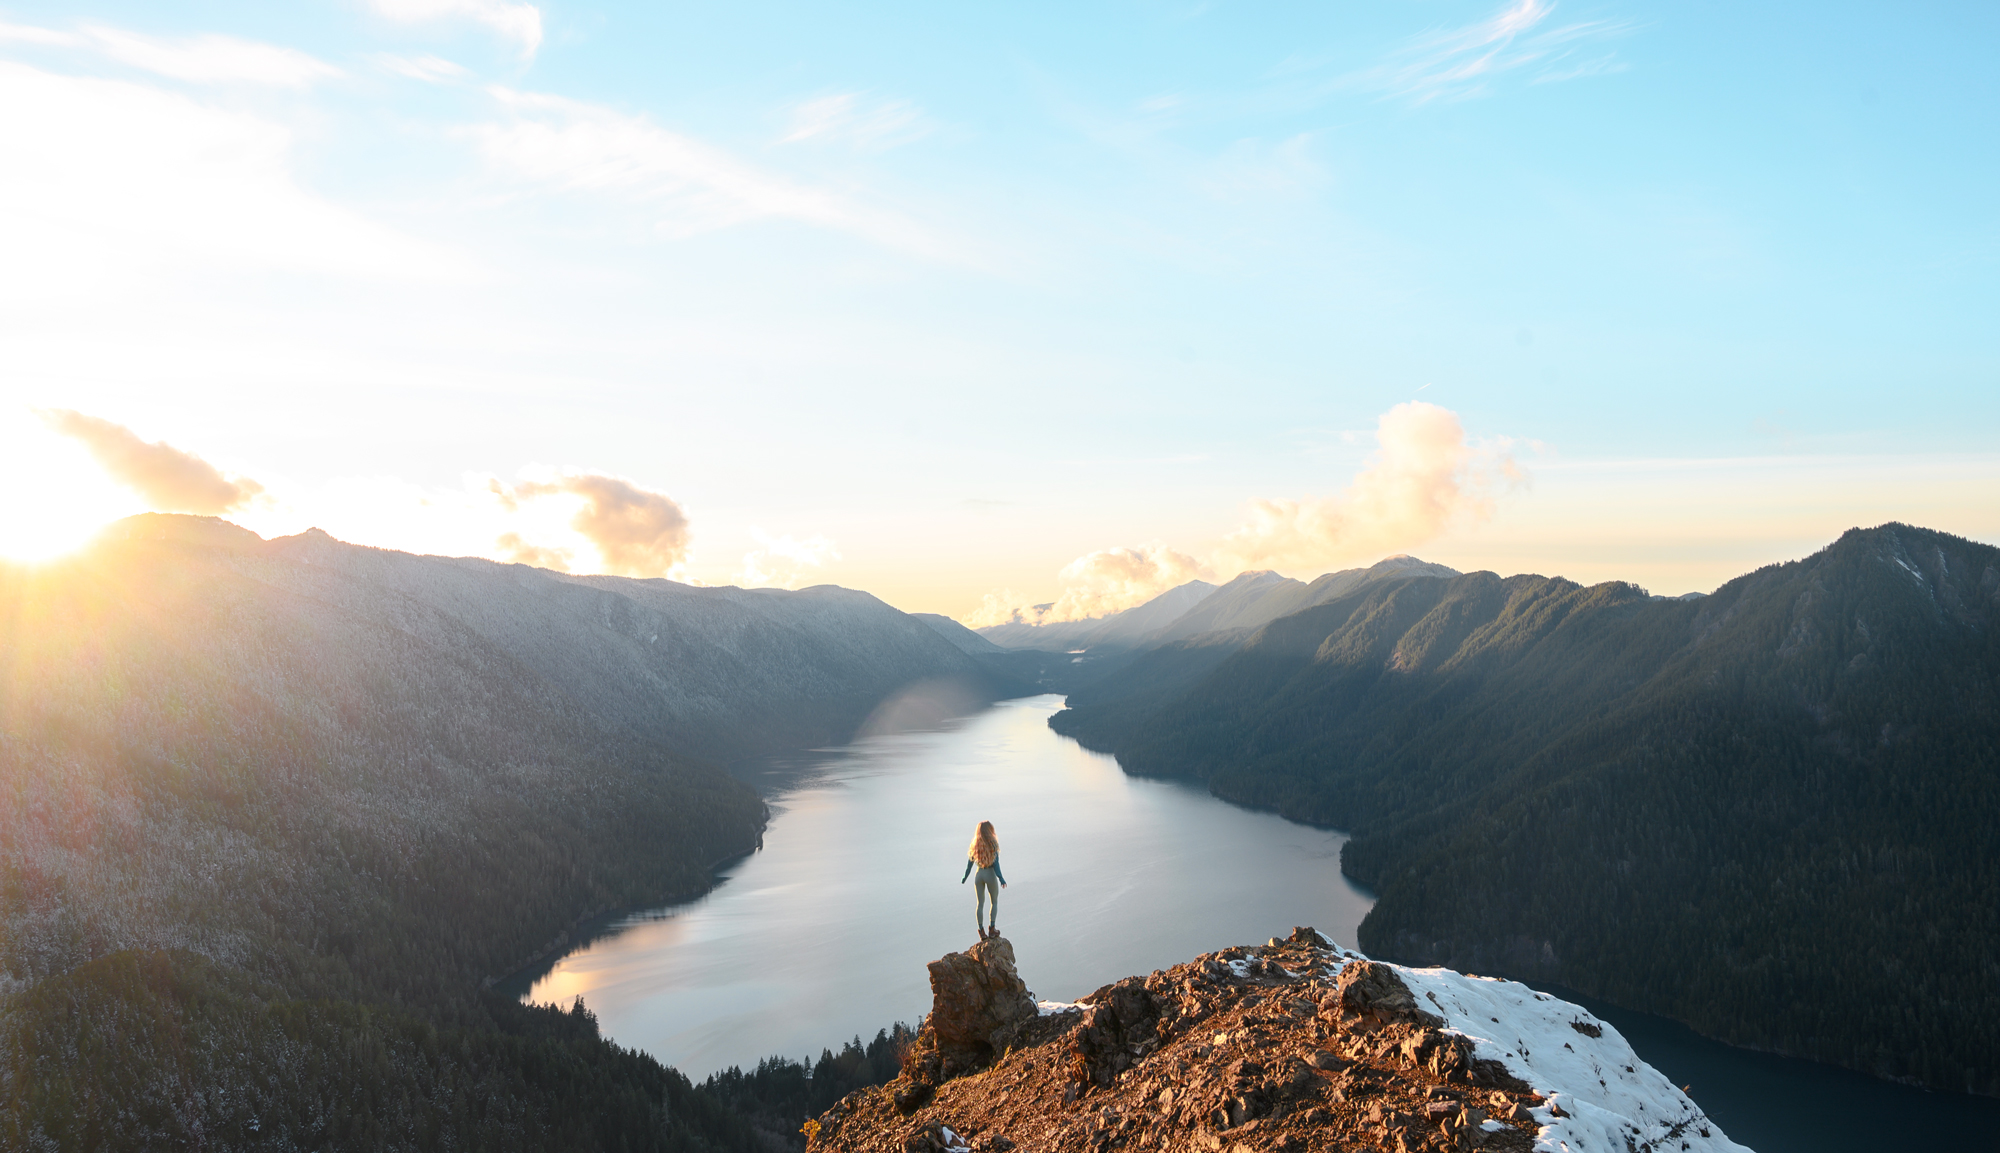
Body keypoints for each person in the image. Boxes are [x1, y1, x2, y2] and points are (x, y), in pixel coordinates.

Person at [959, 820, 1007, 940]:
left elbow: (969, 865)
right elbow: (996, 865)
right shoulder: (993, 844)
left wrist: (965, 877)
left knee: (980, 904)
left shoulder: (974, 845)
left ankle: (981, 932)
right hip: (990, 874)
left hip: (979, 874)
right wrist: (1001, 879)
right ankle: (992, 929)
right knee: (994, 902)